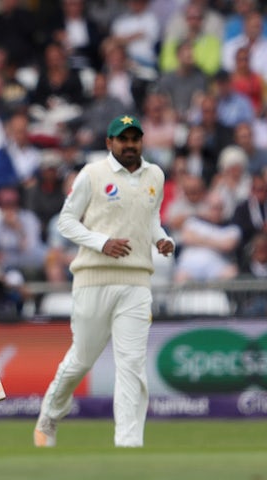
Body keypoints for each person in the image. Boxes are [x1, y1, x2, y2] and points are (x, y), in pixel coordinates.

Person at [34, 114, 175, 448]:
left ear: (142, 141)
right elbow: (65, 222)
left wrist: (162, 239)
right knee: (80, 360)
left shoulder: (155, 174)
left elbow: (150, 217)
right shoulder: (92, 174)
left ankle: (128, 446)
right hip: (93, 280)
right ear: (109, 143)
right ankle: (49, 417)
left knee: (132, 366)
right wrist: (102, 242)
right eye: (122, 139)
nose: (129, 145)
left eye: (134, 139)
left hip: (137, 283)